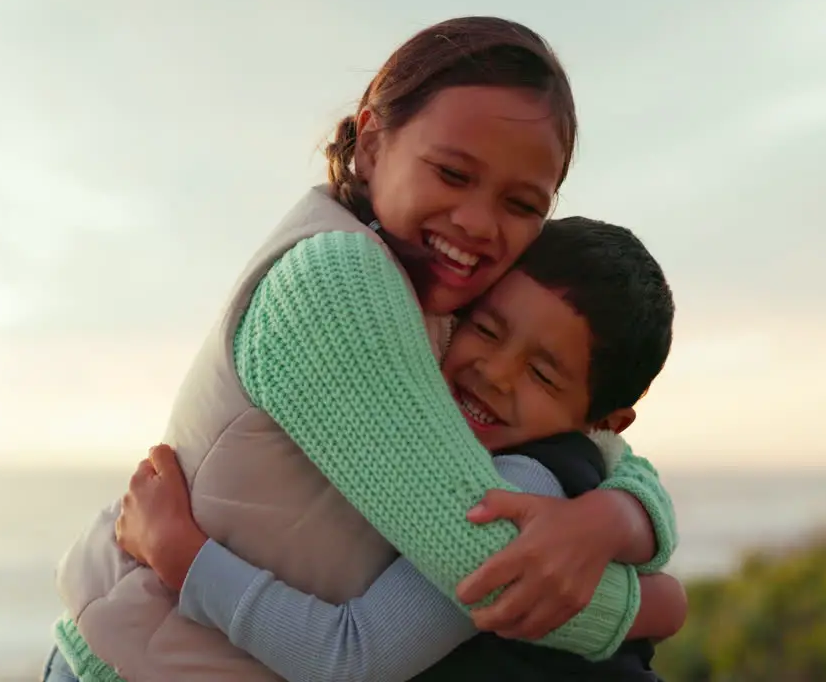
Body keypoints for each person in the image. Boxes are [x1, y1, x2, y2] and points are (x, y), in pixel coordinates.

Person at [47, 17, 678, 682]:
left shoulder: (455, 302)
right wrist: (655, 603)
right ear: (373, 143)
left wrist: (612, 519)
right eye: (452, 172)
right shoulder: (336, 281)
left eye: (521, 204)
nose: (477, 222)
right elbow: (492, 576)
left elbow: (604, 446)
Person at [117, 217, 686, 681]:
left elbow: (349, 660)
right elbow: (632, 472)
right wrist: (625, 525)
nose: (494, 373)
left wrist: (183, 557)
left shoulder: (519, 491)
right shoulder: (558, 461)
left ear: (603, 421)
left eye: (541, 373)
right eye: (485, 330)